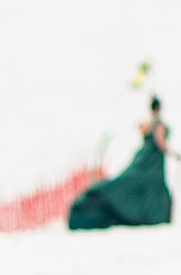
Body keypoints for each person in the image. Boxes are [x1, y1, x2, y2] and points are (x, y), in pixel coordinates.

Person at [69, 97, 175, 229]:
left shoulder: (148, 123)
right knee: (152, 185)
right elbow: (160, 143)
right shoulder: (158, 124)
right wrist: (173, 154)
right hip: (153, 161)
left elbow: (141, 128)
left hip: (146, 157)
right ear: (159, 107)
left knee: (143, 183)